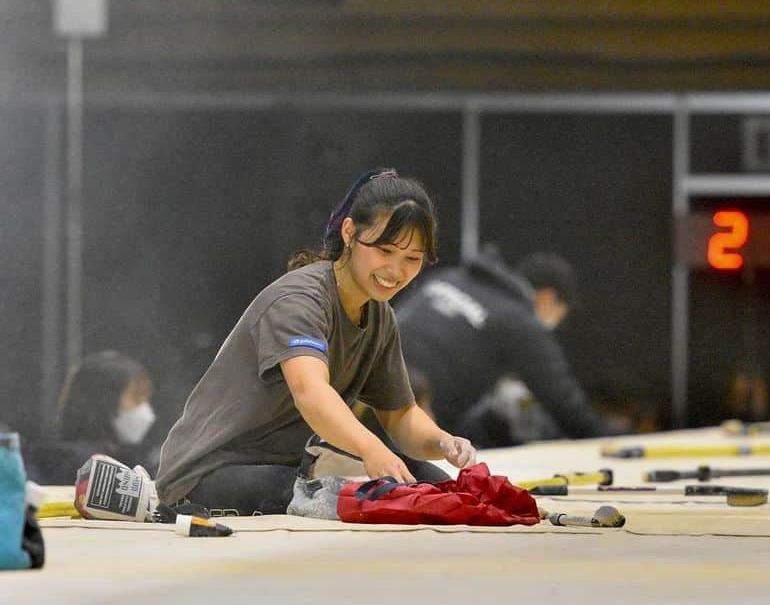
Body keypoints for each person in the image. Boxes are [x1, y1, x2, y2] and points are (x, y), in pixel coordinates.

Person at [154, 169, 476, 515]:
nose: (396, 271)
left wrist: (443, 442)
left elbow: (400, 414)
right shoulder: (299, 300)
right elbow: (311, 392)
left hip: (295, 467)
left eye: (411, 259)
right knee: (345, 498)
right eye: (384, 250)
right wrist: (369, 447)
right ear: (350, 233)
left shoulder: (380, 315)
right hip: (210, 473)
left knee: (435, 487)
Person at [394, 247, 604, 446]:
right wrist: (613, 441)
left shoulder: (448, 278)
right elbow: (565, 405)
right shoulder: (519, 322)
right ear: (548, 298)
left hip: (369, 388)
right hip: (411, 418)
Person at [23, 351, 158, 485]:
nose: (145, 409)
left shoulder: (133, 458)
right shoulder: (70, 462)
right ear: (103, 401)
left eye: (146, 398)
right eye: (136, 397)